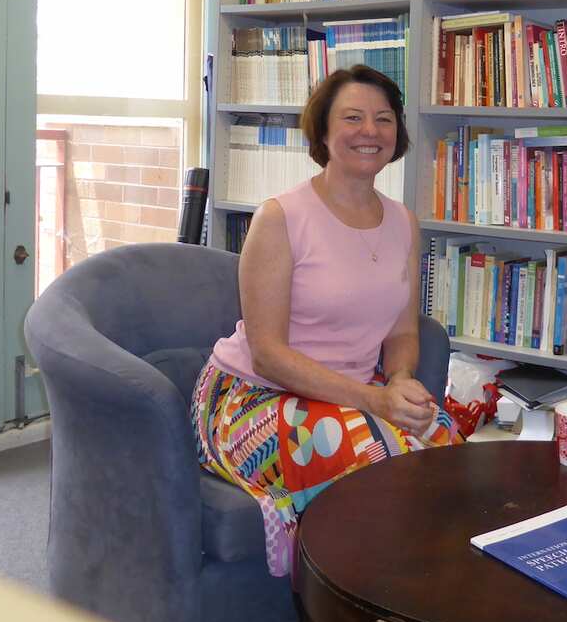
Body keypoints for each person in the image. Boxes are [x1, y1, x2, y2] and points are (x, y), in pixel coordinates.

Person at [191, 64, 460, 582]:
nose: (370, 131)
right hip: (253, 397)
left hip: (353, 391)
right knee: (378, 455)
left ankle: (426, 602)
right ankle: (345, 610)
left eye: (383, 119)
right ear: (323, 131)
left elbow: (403, 331)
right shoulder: (281, 218)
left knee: (447, 451)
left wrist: (401, 380)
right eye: (353, 117)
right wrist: (376, 401)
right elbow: (268, 353)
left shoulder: (403, 221)